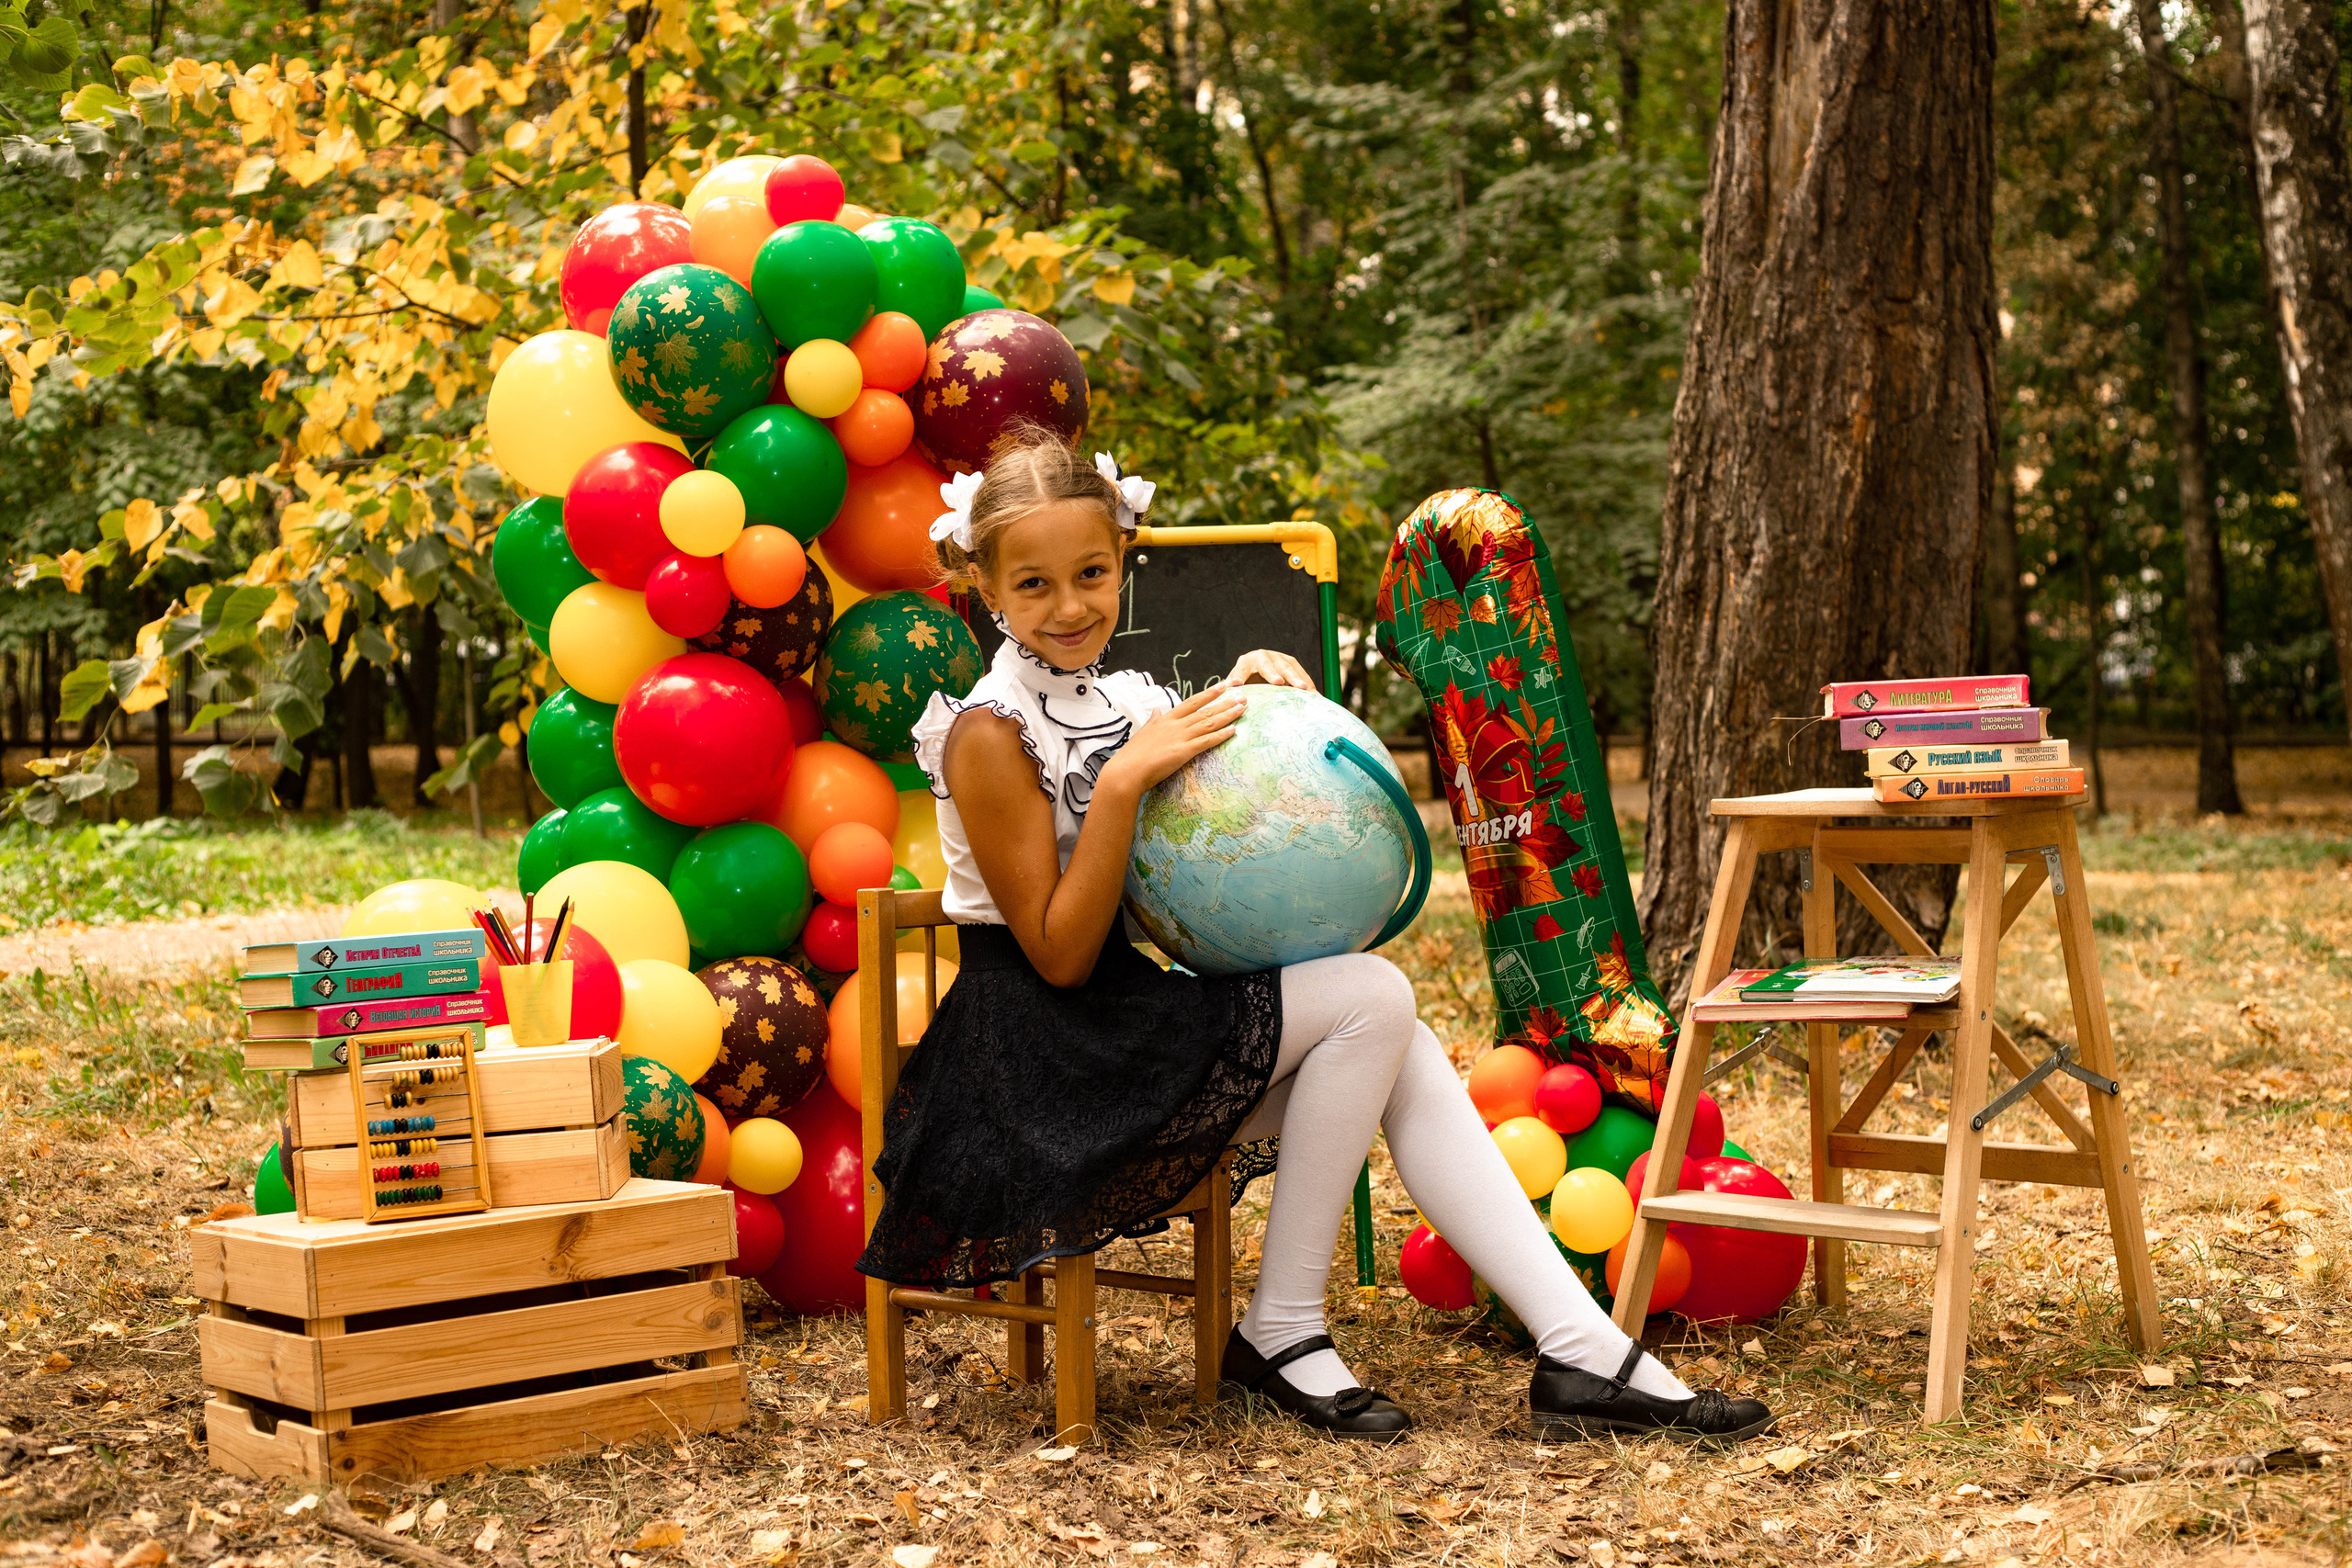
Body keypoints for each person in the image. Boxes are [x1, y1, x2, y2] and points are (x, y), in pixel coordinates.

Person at [854, 433, 1773, 1447]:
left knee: (1398, 1045)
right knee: (1373, 998)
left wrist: (1251, 690)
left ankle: (1580, 1351)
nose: (1070, 607)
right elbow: (1060, 954)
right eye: (1033, 584)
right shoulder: (987, 731)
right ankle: (1286, 1327)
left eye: (1092, 573)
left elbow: (1197, 775)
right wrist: (1120, 785)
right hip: (1041, 1059)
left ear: (1123, 559)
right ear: (979, 581)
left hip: (1126, 1026)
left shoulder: (1129, 699)